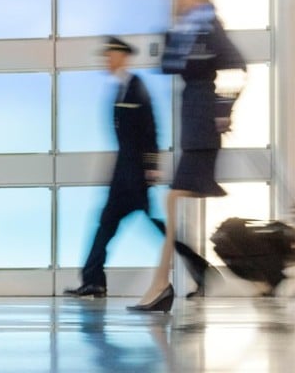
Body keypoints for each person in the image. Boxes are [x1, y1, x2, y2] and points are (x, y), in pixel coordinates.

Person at [129, 0, 246, 312]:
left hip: (203, 126)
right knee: (173, 200)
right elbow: (168, 66)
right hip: (193, 123)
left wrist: (224, 110)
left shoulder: (209, 25)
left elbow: (237, 66)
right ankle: (193, 276)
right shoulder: (188, 29)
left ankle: (163, 285)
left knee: (171, 199)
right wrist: (174, 33)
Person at [63, 37, 212, 299]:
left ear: (122, 56)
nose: (107, 61)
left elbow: (151, 129)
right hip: (123, 172)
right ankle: (93, 280)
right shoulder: (120, 88)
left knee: (151, 226)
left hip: (135, 175)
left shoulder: (136, 87)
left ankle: (201, 269)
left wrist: (151, 168)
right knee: (107, 223)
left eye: (110, 55)